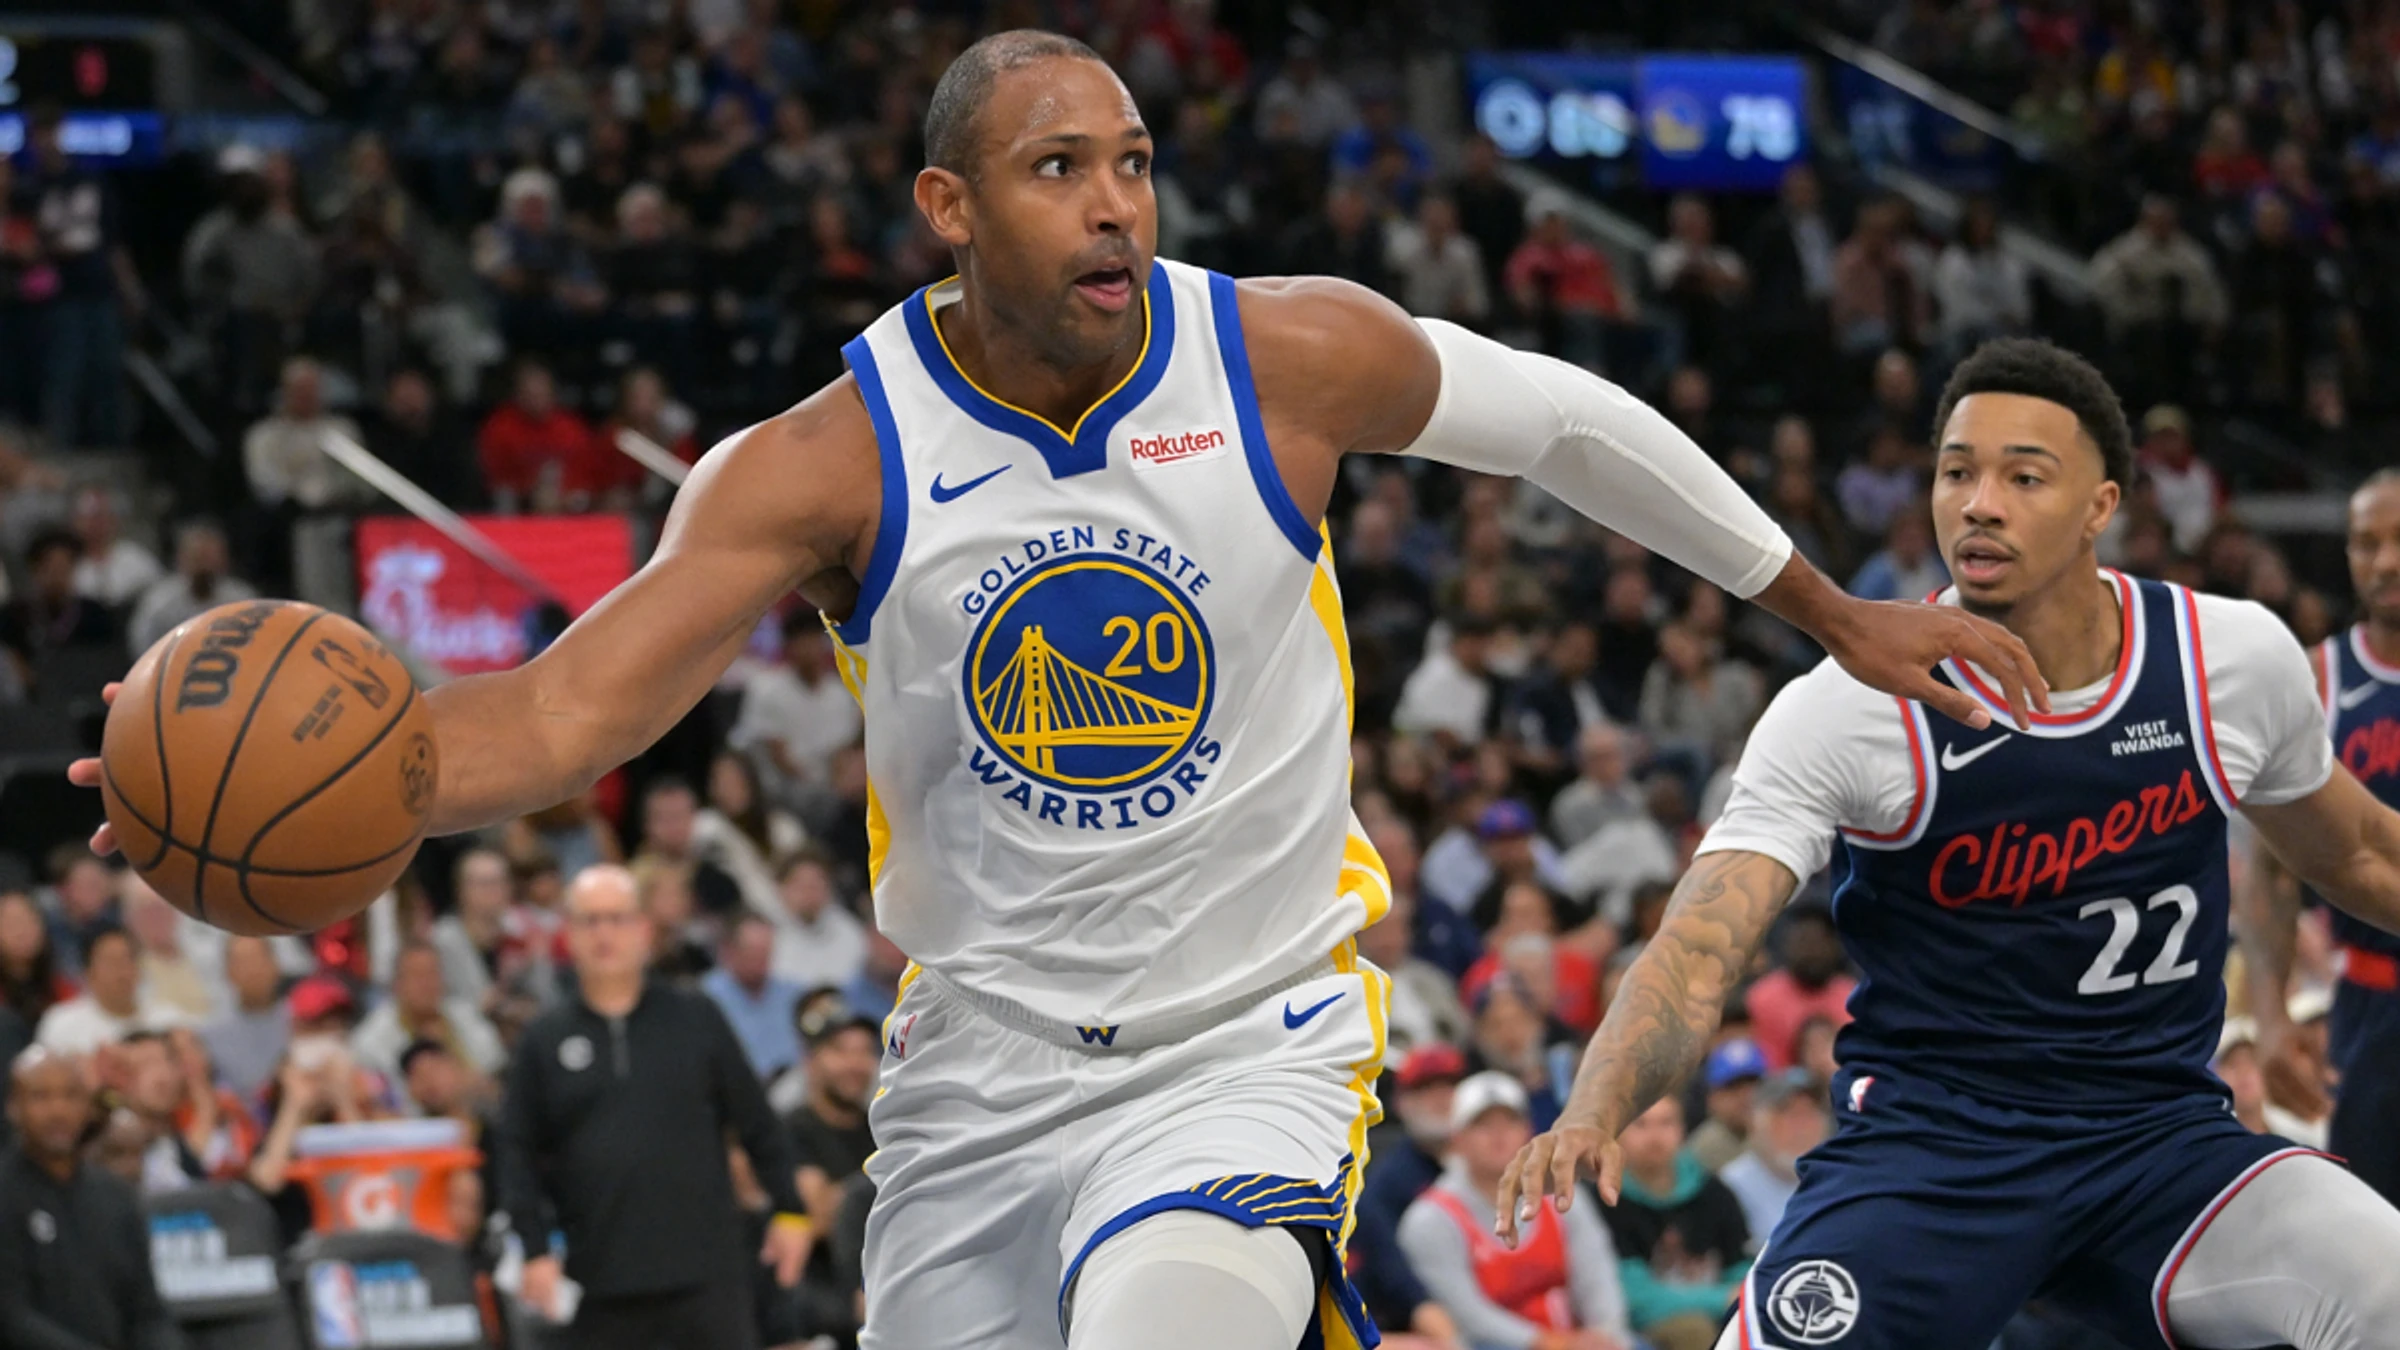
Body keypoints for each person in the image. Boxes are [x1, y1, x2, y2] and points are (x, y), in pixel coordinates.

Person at [73, 32, 2040, 1350]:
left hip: (1250, 1036)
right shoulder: (822, 464)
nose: (1117, 203)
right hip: (979, 1067)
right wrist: (252, 794)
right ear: (951, 209)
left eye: (1135, 163)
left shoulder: (1281, 357)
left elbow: (1568, 423)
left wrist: (1826, 607)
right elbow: (565, 718)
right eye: (1057, 169)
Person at [1500, 338, 2400, 1350]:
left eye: (2024, 477)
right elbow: (1699, 948)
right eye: (1957, 473)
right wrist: (1595, 1106)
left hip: (2160, 1143)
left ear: (2101, 506)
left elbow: (2363, 853)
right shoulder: (1850, 705)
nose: (1980, 504)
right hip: (1933, 1157)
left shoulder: (2228, 658)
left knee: (2388, 1287)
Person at [495, 866, 808, 1350]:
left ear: (643, 929)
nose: (604, 933)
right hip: (599, 1281)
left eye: (617, 918)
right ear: (569, 935)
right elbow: (515, 1152)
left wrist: (790, 1209)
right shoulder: (545, 1038)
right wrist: (533, 1248)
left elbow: (758, 1122)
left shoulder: (696, 1016)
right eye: (589, 920)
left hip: (708, 1276)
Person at [2243, 469, 2400, 1207]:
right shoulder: (2315, 680)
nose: (2386, 561)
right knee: (2375, 1238)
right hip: (2366, 1004)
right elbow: (2271, 871)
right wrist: (2270, 1016)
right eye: (2367, 542)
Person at [1397, 1071, 1630, 1350]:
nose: (1499, 1135)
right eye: (1482, 1125)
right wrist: (1546, 1343)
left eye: (1510, 1122)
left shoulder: (1563, 1196)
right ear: (1457, 1139)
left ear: (1529, 1132)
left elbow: (1598, 1277)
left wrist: (1606, 1334)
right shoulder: (1430, 1220)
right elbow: (1465, 1315)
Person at [0, 1048, 183, 1350]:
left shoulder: (117, 1196)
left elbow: (148, 1312)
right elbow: (11, 1316)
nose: (58, 1111)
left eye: (71, 1096)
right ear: (13, 1107)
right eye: (40, 1096)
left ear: (87, 1106)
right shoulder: (6, 1193)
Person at [349, 941, 504, 1083]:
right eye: (418, 976)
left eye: (433, 974)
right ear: (397, 984)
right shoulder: (371, 1041)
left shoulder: (465, 1015)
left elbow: (494, 1065)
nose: (427, 984)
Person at [1715, 1068, 1829, 1250]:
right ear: (1757, 1122)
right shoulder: (1731, 1188)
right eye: (1789, 1114)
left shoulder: (1840, 1181)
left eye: (1810, 1113)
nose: (1801, 1127)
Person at [1740, 907, 1854, 1072]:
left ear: (1835, 945)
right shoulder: (1761, 999)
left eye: (1819, 942)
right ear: (1788, 945)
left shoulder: (1852, 997)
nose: (1812, 952)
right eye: (1804, 942)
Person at [704, 913, 804, 1078]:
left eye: (766, 951)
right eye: (752, 951)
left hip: (793, 1084)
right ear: (729, 951)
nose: (760, 959)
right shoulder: (706, 998)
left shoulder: (794, 995)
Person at [35, 928, 160, 1059]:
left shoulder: (166, 1019)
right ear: (89, 972)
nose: (123, 971)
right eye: (112, 962)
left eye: (129, 959)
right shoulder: (61, 1023)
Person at [200, 935, 289, 1100]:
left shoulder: (305, 1019)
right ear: (227, 973)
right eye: (242, 962)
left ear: (276, 964)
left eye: (259, 959)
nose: (252, 969)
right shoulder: (211, 1036)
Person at [1685, 1038, 1766, 1173]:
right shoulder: (1701, 1150)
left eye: (1753, 1085)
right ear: (1712, 1098)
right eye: (1733, 1087)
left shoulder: (1782, 1134)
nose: (1746, 1096)